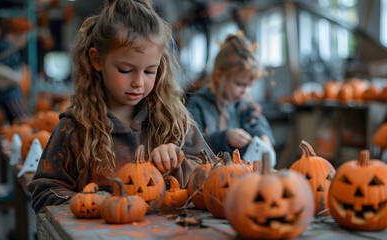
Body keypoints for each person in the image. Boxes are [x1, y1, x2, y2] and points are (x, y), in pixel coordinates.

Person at [28, 0, 214, 214]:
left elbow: (211, 178)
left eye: (149, 71)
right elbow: (43, 193)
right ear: (97, 60)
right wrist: (95, 203)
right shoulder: (74, 128)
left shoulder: (175, 123)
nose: (138, 82)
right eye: (126, 70)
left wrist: (177, 164)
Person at [187, 31, 275, 159]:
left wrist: (263, 136)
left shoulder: (244, 106)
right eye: (240, 84)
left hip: (240, 174)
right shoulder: (197, 105)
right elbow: (190, 145)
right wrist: (225, 138)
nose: (245, 91)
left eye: (249, 86)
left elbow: (256, 122)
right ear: (218, 76)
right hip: (207, 175)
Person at [0, 17, 32, 123]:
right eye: (25, 35)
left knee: (21, 122)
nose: (26, 39)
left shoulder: (9, 48)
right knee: (24, 121)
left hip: (10, 94)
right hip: (7, 95)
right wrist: (16, 77)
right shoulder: (6, 49)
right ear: (17, 34)